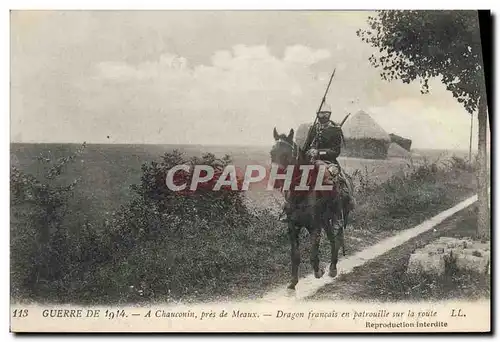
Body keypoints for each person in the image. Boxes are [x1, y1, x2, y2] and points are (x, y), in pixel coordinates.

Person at [279, 103, 355, 222]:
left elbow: (335, 151)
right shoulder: (313, 128)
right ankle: (289, 209)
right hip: (310, 161)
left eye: (325, 113)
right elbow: (306, 146)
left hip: (327, 161)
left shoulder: (335, 130)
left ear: (329, 114)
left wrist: (318, 152)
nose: (322, 115)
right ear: (317, 114)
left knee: (330, 182)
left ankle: (337, 215)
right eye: (320, 113)